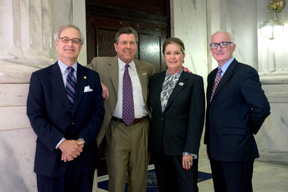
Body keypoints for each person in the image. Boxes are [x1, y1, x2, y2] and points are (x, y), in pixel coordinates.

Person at [26, 24, 105, 192]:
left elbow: (98, 113)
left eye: (75, 40)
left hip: (83, 159)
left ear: (81, 46)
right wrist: (61, 143)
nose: (70, 44)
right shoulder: (40, 78)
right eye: (65, 39)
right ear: (56, 44)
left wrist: (79, 143)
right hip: (51, 160)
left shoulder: (92, 77)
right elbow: (35, 115)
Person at [87, 27, 155, 192]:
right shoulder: (100, 64)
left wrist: (183, 71)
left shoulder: (147, 68)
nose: (128, 46)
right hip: (116, 129)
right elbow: (79, 74)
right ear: (116, 46)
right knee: (116, 180)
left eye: (132, 43)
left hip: (142, 129)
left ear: (136, 46)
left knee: (139, 179)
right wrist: (97, 83)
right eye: (124, 42)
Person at [204, 31, 271, 192]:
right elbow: (213, 111)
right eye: (214, 45)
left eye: (223, 44)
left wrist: (245, 129)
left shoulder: (245, 72)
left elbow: (262, 108)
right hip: (215, 148)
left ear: (233, 47)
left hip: (237, 149)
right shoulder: (212, 75)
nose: (218, 48)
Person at [148, 37, 205, 192]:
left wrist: (190, 150)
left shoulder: (194, 81)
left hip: (182, 150)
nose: (172, 57)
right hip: (160, 148)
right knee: (165, 188)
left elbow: (197, 118)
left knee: (188, 188)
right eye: (168, 53)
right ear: (163, 56)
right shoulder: (155, 80)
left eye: (176, 53)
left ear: (183, 55)